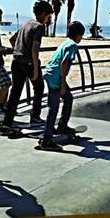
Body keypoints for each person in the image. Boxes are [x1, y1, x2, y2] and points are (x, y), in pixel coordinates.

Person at [0, 1, 53, 134]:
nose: (49, 19)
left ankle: (7, 122)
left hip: (17, 61)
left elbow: (12, 39)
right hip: (28, 62)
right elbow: (35, 49)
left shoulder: (26, 24)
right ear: (44, 14)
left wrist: (18, 50)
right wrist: (35, 68)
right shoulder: (39, 27)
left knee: (16, 92)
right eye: (49, 16)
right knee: (39, 87)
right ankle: (35, 117)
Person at [40, 21, 85, 151]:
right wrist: (63, 83)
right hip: (56, 78)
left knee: (68, 98)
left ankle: (62, 126)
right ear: (77, 35)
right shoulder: (72, 46)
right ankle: (46, 139)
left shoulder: (65, 42)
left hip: (50, 74)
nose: (81, 39)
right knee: (53, 108)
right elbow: (65, 62)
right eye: (81, 36)